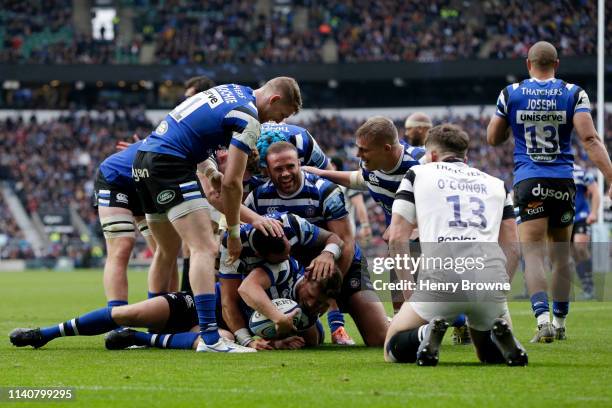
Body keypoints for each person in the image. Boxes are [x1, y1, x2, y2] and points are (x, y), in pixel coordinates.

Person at [132, 77, 302, 353]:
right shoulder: (249, 117)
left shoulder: (231, 90)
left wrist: (210, 171)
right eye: (280, 115)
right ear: (274, 100)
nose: (276, 122)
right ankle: (211, 339)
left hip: (144, 160)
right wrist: (234, 234)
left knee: (165, 251)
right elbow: (233, 183)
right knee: (205, 247)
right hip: (170, 163)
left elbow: (191, 131)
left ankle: (157, 331)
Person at [9, 231, 338, 351]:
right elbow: (238, 298)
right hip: (201, 306)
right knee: (129, 313)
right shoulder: (283, 268)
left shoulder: (306, 314)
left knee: (215, 344)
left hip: (220, 328)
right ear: (308, 275)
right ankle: (45, 334)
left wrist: (280, 341)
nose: (314, 305)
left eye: (322, 305)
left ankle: (139, 340)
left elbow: (312, 337)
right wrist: (253, 338)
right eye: (315, 296)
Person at [487, 41, 612, 342]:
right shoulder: (573, 93)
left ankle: (542, 320)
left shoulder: (511, 93)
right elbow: (590, 139)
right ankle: (560, 321)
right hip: (562, 181)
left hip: (529, 181)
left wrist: (510, 125)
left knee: (533, 254)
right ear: (556, 64)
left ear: (528, 64)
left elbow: (492, 138)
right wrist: (611, 176)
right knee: (561, 256)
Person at [384, 124, 526, 366]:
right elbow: (513, 246)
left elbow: (397, 237)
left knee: (391, 347)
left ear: (434, 156)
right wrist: (501, 289)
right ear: (465, 158)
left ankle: (424, 334)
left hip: (442, 276)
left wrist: (409, 294)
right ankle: (499, 338)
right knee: (487, 354)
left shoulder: (418, 173)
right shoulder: (496, 183)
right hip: (488, 276)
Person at [246, 141, 389, 346]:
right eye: (278, 169)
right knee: (305, 341)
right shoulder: (256, 198)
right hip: (293, 277)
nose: (286, 173)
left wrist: (324, 294)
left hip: (340, 265)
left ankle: (395, 322)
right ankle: (316, 328)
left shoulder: (324, 190)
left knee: (380, 339)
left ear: (299, 164)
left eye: (290, 167)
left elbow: (346, 242)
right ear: (266, 170)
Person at [94, 141, 176, 307]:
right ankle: (117, 318)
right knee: (122, 246)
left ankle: (168, 315)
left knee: (167, 252)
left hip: (149, 184)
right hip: (116, 178)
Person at [572, 163, 600, 300]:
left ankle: (590, 286)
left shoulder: (581, 173)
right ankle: (586, 286)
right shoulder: (555, 172)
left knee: (580, 246)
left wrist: (594, 213)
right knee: (574, 254)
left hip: (581, 216)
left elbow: (595, 192)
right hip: (564, 220)